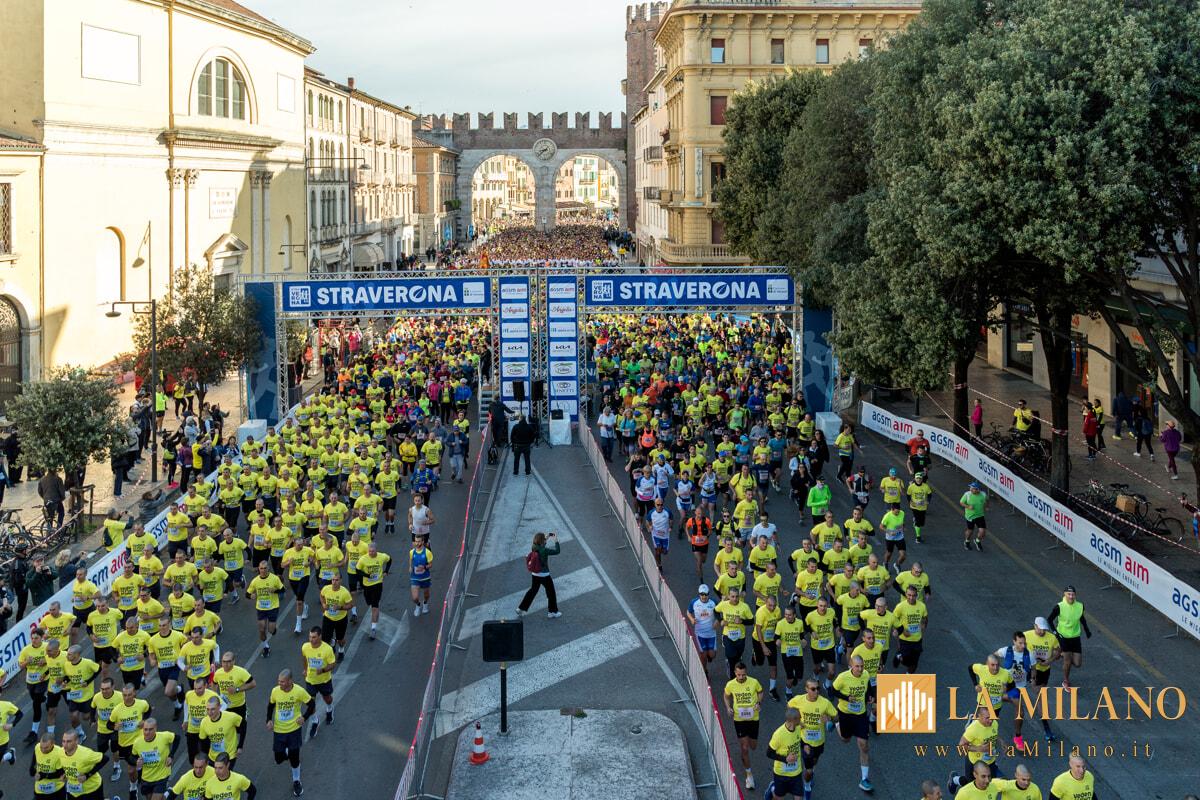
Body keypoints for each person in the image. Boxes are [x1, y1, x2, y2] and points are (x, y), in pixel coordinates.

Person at [266, 669, 315, 798]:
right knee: (278, 758)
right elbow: (270, 706)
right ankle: (287, 752)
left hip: (294, 729)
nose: (279, 683)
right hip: (279, 730)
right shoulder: (275, 691)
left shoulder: (299, 691)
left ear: (290, 681)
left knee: (294, 757)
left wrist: (304, 717)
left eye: (282, 682)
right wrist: (269, 720)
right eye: (279, 681)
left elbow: (311, 704)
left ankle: (296, 781)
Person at [723, 661, 763, 791]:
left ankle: (745, 756)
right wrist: (728, 707)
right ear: (735, 673)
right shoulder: (731, 684)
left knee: (753, 746)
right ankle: (749, 775)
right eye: (739, 675)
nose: (741, 677)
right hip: (739, 719)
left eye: (743, 675)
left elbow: (760, 692)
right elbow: (726, 695)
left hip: (753, 718)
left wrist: (758, 703)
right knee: (745, 747)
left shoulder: (753, 682)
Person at [1047, 586, 1090, 688]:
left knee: (1077, 663)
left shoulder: (1080, 606)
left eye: (1073, 594)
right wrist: (1056, 633)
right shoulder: (1059, 607)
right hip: (1063, 637)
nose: (1071, 596)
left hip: (1075, 637)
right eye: (1069, 594)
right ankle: (1066, 681)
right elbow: (1049, 620)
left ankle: (1060, 653)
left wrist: (1087, 630)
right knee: (1067, 661)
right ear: (1064, 594)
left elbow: (1082, 618)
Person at [517, 532, 560, 618]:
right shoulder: (545, 550)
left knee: (533, 591)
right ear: (542, 541)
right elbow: (557, 551)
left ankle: (521, 608)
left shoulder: (533, 547)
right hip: (544, 575)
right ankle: (552, 612)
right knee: (551, 592)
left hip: (535, 574)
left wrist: (546, 538)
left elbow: (541, 547)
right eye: (544, 539)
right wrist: (556, 541)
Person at [959, 482, 988, 551]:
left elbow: (986, 501)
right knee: (970, 531)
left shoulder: (983, 494)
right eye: (970, 488)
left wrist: (986, 507)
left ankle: (977, 541)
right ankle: (967, 541)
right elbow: (961, 502)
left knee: (982, 532)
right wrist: (968, 506)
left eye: (973, 488)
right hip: (970, 516)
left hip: (980, 515)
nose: (971, 489)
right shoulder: (967, 494)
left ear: (978, 490)